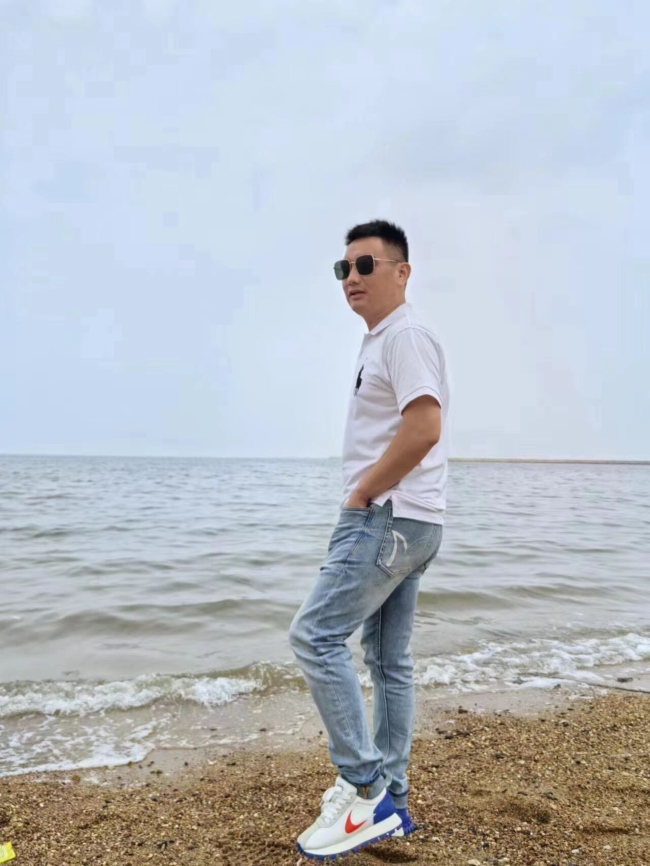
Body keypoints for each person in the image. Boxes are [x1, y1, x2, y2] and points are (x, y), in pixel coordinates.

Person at [288, 219, 450, 860]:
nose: (351, 278)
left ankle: (366, 789)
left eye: (365, 265)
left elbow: (425, 427)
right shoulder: (383, 339)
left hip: (386, 516)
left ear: (401, 272)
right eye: (343, 268)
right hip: (414, 520)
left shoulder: (404, 336)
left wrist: (361, 495)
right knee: (387, 663)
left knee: (314, 635)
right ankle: (392, 804)